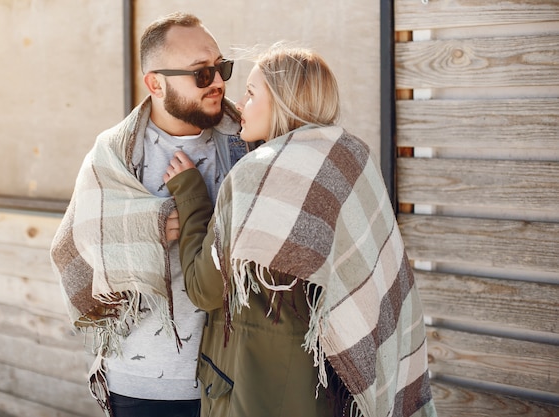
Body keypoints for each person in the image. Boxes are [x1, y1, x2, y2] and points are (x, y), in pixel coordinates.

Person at [163, 44, 438, 417]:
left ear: (281, 101)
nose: (240, 106)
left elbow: (203, 289)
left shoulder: (254, 176)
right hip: (332, 390)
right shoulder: (352, 160)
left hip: (254, 392)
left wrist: (191, 193)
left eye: (251, 93)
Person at [50, 12, 251, 417]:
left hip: (240, 376)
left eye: (221, 68)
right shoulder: (115, 156)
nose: (217, 82)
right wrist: (144, 228)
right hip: (146, 384)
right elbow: (76, 245)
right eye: (200, 73)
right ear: (155, 83)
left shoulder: (249, 142)